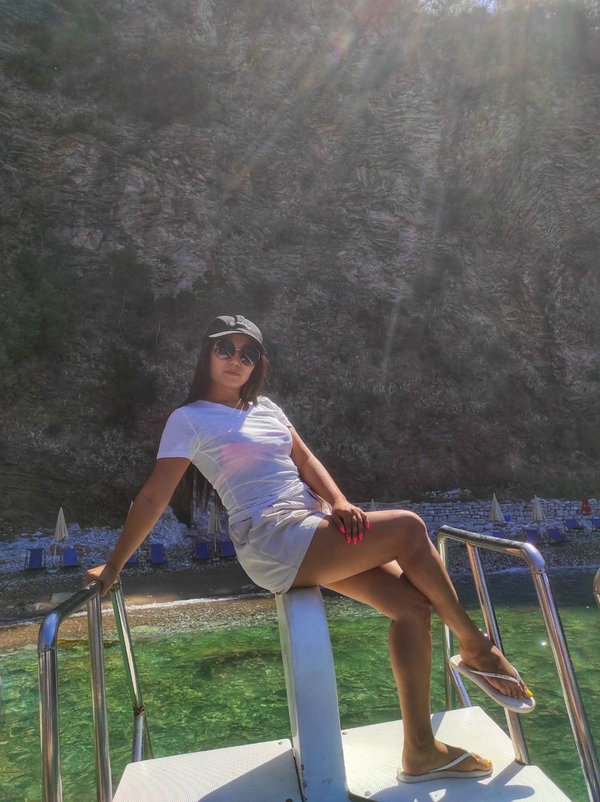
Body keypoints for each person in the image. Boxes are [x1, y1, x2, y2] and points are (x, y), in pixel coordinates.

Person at [86, 313, 534, 783]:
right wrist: (114, 566)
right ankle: (476, 647)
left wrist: (338, 501)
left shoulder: (266, 407)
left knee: (411, 606)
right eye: (225, 349)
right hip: (271, 538)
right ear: (206, 354)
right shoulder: (189, 418)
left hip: (313, 524)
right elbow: (154, 496)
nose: (236, 360)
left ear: (258, 363)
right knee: (408, 527)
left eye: (248, 353)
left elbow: (304, 459)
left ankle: (420, 750)